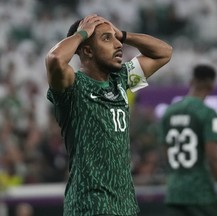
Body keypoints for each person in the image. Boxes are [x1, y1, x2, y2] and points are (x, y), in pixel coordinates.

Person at [45, 14, 172, 216]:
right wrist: (82, 33)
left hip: (124, 205)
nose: (118, 45)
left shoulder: (121, 79)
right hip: (90, 204)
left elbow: (164, 53)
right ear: (87, 50)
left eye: (115, 38)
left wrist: (123, 34)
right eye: (107, 39)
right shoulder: (72, 88)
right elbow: (54, 59)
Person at [160, 64, 217, 216]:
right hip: (200, 193)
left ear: (191, 82)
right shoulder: (208, 114)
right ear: (211, 85)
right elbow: (213, 158)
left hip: (174, 192)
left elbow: (166, 153)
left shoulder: (169, 112)